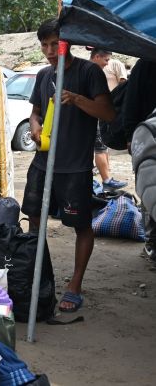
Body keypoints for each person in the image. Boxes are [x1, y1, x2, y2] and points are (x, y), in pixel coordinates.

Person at [22, 18, 115, 312]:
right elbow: (35, 113)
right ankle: (41, 278)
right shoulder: (43, 75)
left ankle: (75, 284)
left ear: (68, 43)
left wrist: (76, 99)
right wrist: (35, 128)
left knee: (81, 225)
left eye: (55, 43)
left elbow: (108, 113)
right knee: (34, 221)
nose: (50, 50)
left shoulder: (89, 71)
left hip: (75, 166)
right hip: (42, 162)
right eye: (45, 44)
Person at [122, 58, 156, 264]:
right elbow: (132, 100)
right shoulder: (147, 62)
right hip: (148, 139)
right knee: (150, 188)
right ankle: (152, 243)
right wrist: (130, 136)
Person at [89, 48, 127, 191]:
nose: (107, 63)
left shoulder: (92, 70)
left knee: (102, 147)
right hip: (94, 114)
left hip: (99, 113)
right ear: (97, 57)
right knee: (99, 148)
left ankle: (107, 177)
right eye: (106, 60)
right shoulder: (90, 71)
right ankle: (106, 180)